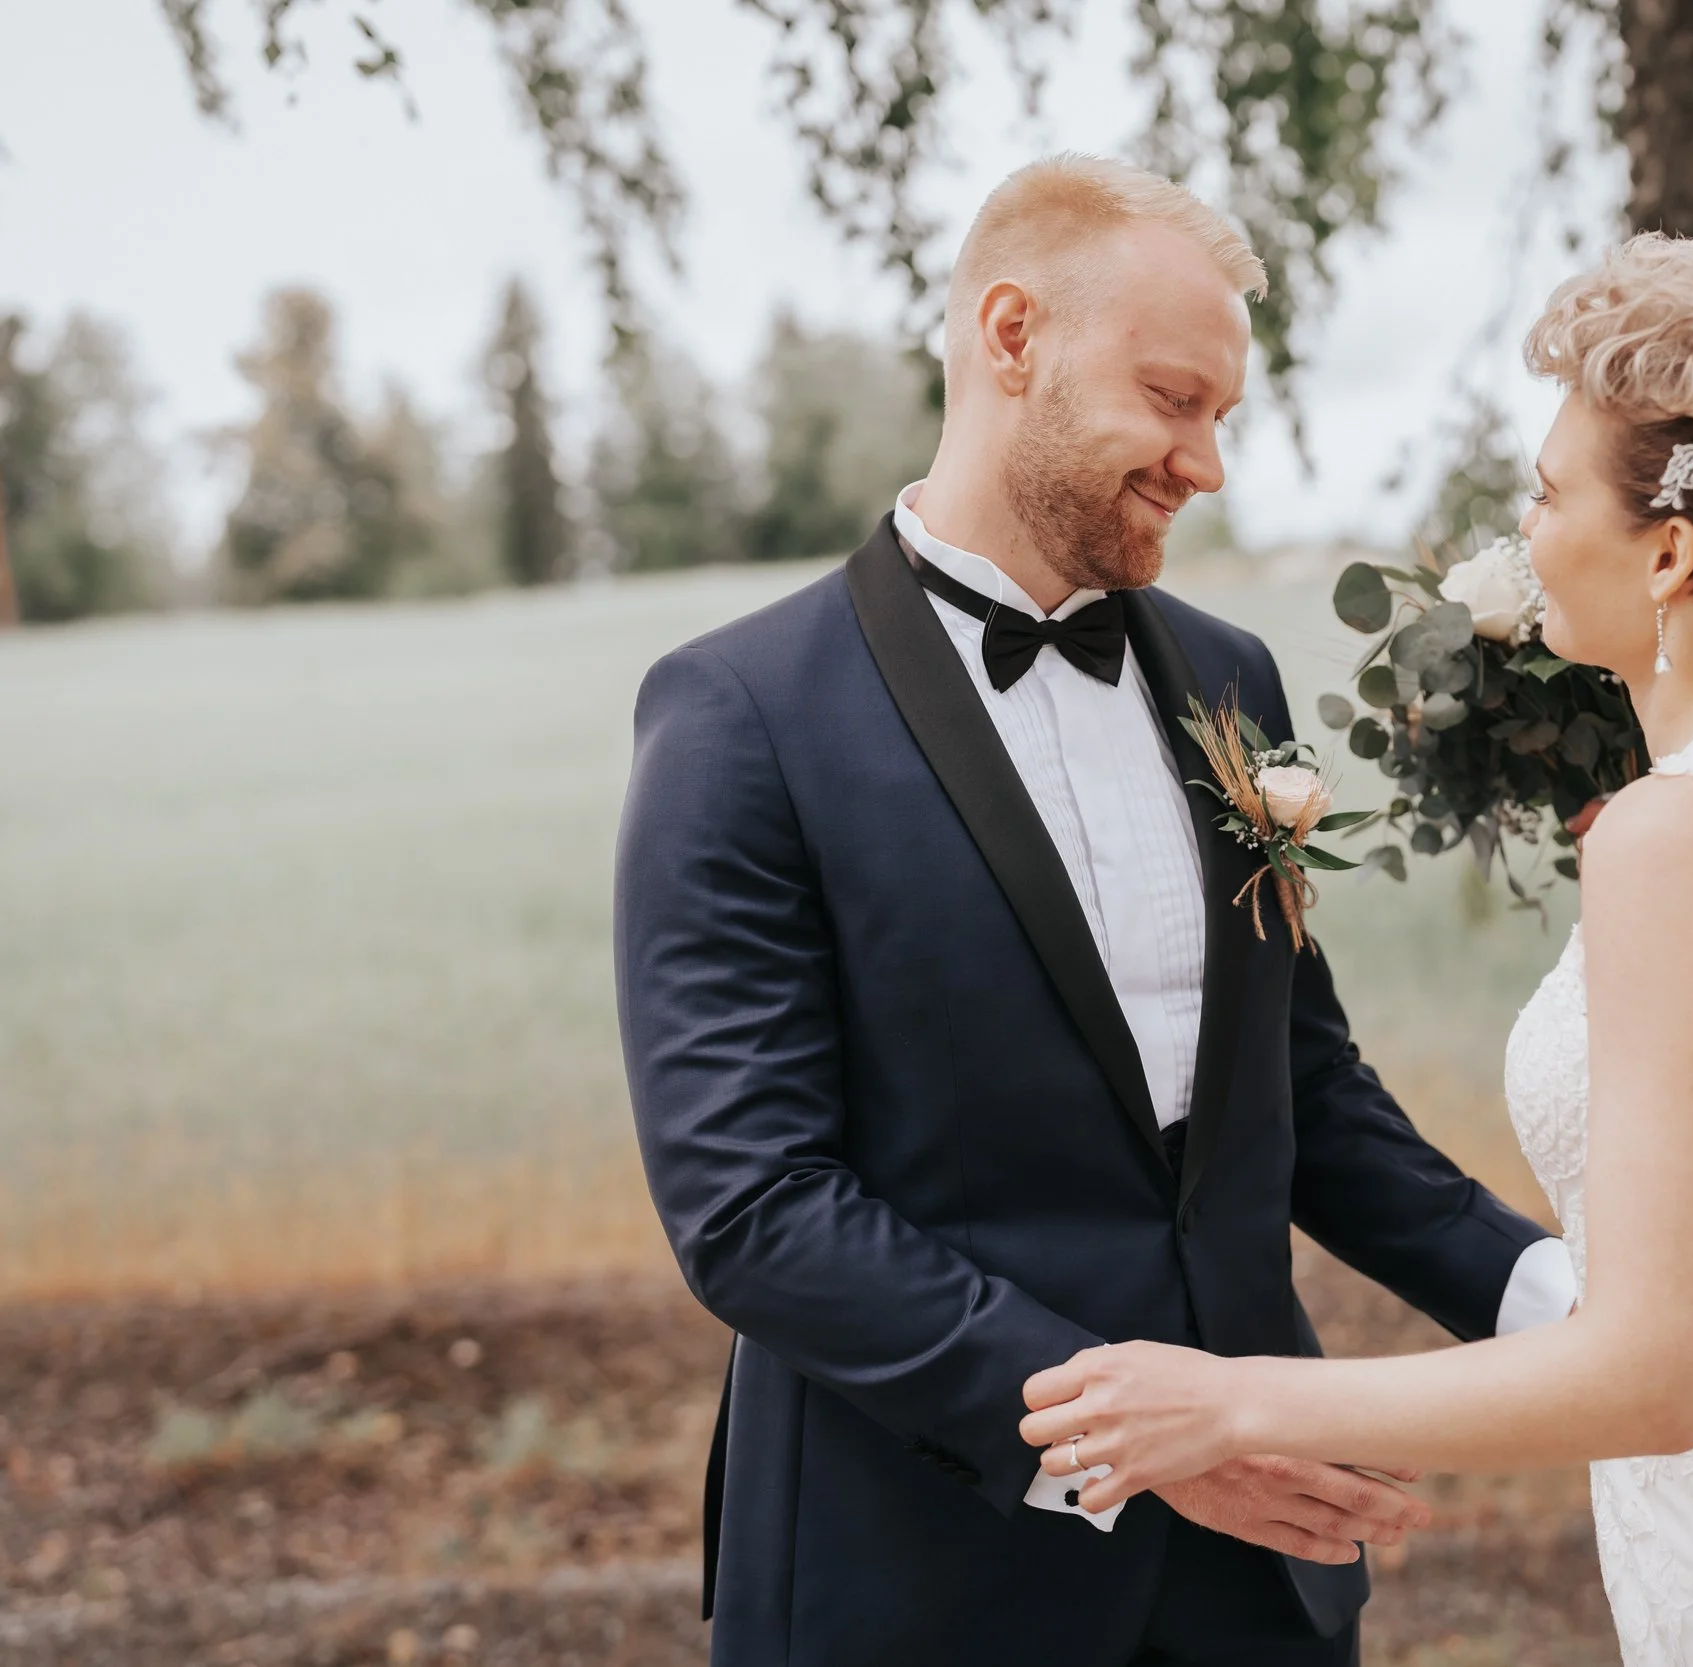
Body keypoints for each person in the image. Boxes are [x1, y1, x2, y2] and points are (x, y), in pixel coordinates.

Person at [1020, 227, 1693, 1665]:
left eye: (1544, 492)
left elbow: (1652, 1377)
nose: (1524, 536)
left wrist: (1232, 1402)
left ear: (1668, 547)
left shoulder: (1684, 835)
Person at [612, 153, 1574, 1667]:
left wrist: (1563, 1309)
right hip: (920, 1580)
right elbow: (752, 1205)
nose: (1206, 461)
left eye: (1221, 416)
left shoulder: (1236, 681)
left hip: (1262, 1587)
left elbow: (1298, 1093)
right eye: (1175, 399)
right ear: (1012, 338)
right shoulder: (740, 715)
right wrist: (1147, 1440)